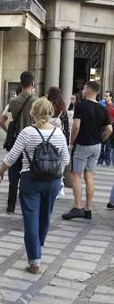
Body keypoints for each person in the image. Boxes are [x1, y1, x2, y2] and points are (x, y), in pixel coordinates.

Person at [0, 98, 70, 274]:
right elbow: (66, 160)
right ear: (51, 112)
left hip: (30, 180)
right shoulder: (59, 134)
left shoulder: (27, 132)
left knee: (30, 219)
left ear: (32, 113)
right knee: (45, 217)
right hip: (52, 182)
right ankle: (39, 243)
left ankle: (35, 260)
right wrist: (56, 173)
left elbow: (12, 156)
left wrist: (1, 171)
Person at [62, 80, 113, 220]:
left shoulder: (81, 106)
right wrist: (101, 139)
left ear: (89, 90)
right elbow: (109, 129)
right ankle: (88, 208)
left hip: (82, 144)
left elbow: (76, 127)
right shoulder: (102, 109)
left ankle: (78, 207)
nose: (82, 91)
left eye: (84, 89)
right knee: (90, 176)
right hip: (96, 146)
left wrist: (72, 141)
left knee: (76, 176)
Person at [5, 71, 37, 213]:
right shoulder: (35, 102)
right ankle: (25, 204)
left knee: (13, 175)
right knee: (28, 174)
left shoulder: (13, 101)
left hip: (17, 141)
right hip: (31, 143)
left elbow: (4, 118)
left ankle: (10, 204)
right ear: (32, 84)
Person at [98, 90, 114, 166]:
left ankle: (107, 161)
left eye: (106, 96)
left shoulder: (112, 107)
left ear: (111, 97)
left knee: (108, 145)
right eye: (104, 96)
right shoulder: (102, 105)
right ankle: (100, 160)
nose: (105, 97)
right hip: (102, 127)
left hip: (110, 128)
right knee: (101, 145)